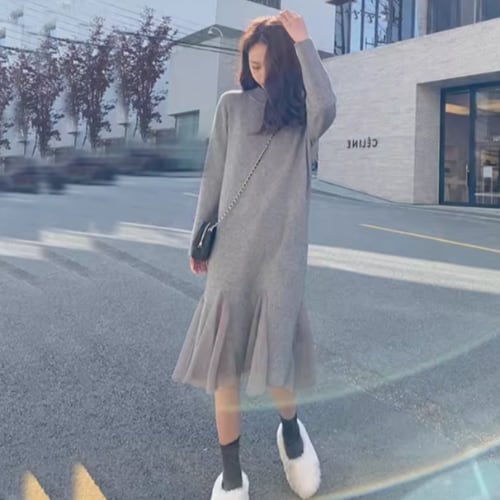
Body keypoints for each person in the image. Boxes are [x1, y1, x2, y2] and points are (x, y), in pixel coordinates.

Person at [173, 10, 336, 500]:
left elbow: (328, 105)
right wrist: (200, 236)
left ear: (285, 64)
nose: (257, 73)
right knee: (225, 367)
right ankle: (231, 475)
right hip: (231, 257)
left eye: (266, 64)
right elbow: (215, 175)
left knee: (276, 357)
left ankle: (291, 432)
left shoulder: (303, 119)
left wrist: (304, 40)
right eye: (252, 64)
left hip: (281, 260)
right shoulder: (231, 107)